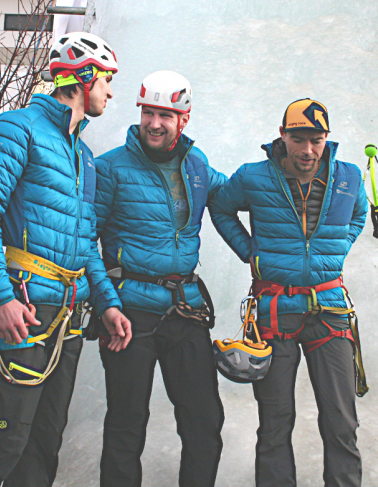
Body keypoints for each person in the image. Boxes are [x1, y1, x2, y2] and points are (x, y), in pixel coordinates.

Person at [0, 32, 131, 487]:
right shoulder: (16, 128)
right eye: (107, 80)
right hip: (23, 308)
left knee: (44, 443)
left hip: (68, 316)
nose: (111, 93)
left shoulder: (83, 156)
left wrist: (108, 303)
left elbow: (84, 242)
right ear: (83, 76)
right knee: (4, 441)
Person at [210, 98, 367, 486]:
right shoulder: (254, 177)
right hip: (275, 309)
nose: (308, 150)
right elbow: (220, 208)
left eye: (316, 140)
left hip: (329, 309)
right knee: (275, 423)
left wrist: (335, 251)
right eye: (299, 139)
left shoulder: (347, 177)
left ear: (326, 138)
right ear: (283, 136)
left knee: (341, 421)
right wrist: (250, 253)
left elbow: (359, 215)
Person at [92, 70, 226, 487]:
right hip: (129, 312)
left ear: (183, 119)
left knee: (205, 423)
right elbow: (82, 241)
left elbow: (236, 194)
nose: (154, 123)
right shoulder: (109, 168)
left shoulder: (197, 166)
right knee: (126, 424)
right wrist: (106, 303)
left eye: (165, 115)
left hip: (183, 308)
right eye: (148, 112)